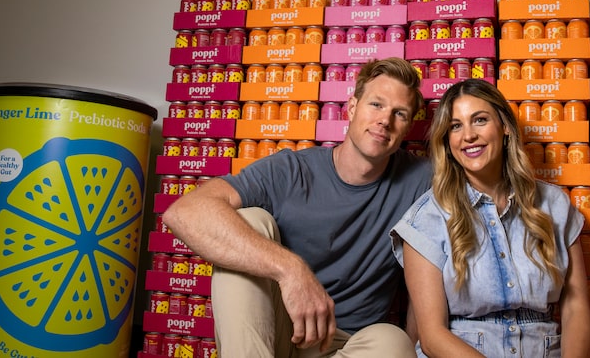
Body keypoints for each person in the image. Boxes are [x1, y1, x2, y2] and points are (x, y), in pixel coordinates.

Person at [163, 57, 431, 357]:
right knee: (249, 221)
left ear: (407, 128)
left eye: (400, 113)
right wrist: (290, 270)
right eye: (376, 105)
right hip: (277, 333)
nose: (385, 120)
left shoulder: (420, 180)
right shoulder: (291, 169)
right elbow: (184, 213)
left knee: (392, 342)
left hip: (346, 345)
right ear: (352, 107)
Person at [391, 79, 590, 358]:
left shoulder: (554, 205)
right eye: (455, 126)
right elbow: (432, 337)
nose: (468, 135)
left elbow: (576, 308)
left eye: (480, 120)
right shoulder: (425, 219)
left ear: (505, 127)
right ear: (447, 142)